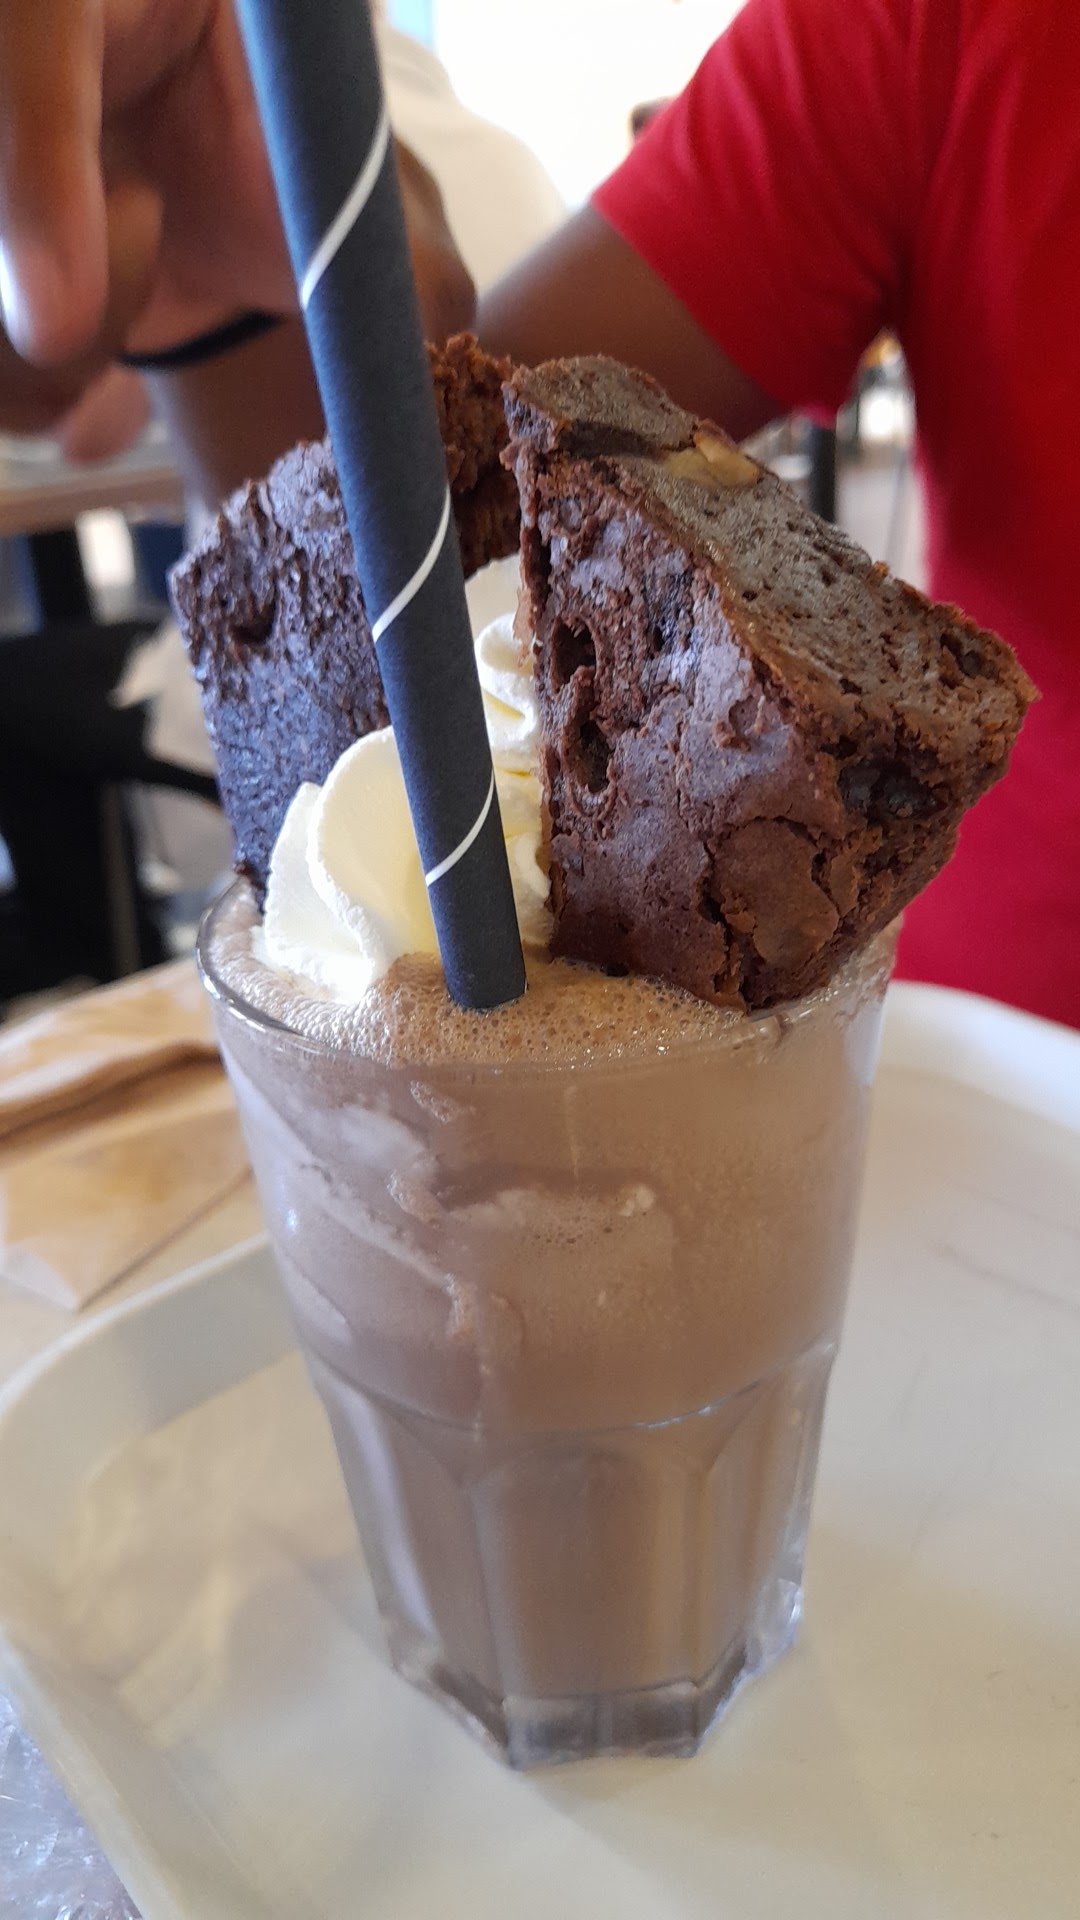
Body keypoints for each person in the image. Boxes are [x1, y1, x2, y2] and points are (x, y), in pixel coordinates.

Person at [0, 0, 1076, 1028]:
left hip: (895, 1067)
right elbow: (415, 505)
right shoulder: (944, 32)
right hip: (972, 1059)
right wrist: (197, 260)